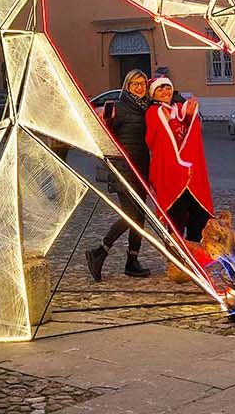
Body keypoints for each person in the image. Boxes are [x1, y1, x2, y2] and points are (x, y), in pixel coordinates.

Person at [85, 70, 153, 280]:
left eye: (142, 83)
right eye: (135, 84)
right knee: (131, 215)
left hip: (142, 167)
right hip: (124, 168)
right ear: (127, 86)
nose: (139, 87)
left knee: (140, 216)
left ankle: (132, 260)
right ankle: (100, 251)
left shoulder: (147, 107)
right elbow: (105, 134)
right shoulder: (119, 107)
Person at [143, 76, 214, 245]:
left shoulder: (180, 109)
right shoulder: (153, 112)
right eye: (160, 89)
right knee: (177, 216)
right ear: (153, 94)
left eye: (167, 87)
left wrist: (189, 116)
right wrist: (164, 122)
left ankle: (194, 248)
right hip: (171, 172)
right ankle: (176, 252)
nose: (165, 91)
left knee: (199, 213)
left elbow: (194, 130)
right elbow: (152, 140)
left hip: (190, 173)